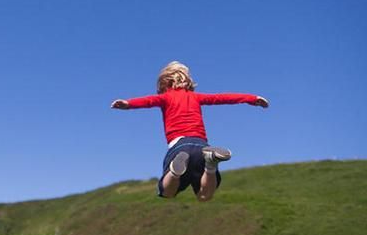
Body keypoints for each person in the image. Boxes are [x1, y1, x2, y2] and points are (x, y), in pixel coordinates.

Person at [111, 61, 269, 201]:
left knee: (167, 192)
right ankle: (211, 163)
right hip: (202, 146)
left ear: (164, 82)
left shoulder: (165, 97)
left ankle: (174, 171)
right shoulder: (197, 97)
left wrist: (127, 103)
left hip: (180, 145)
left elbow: (148, 101)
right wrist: (252, 98)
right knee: (205, 195)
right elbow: (223, 97)